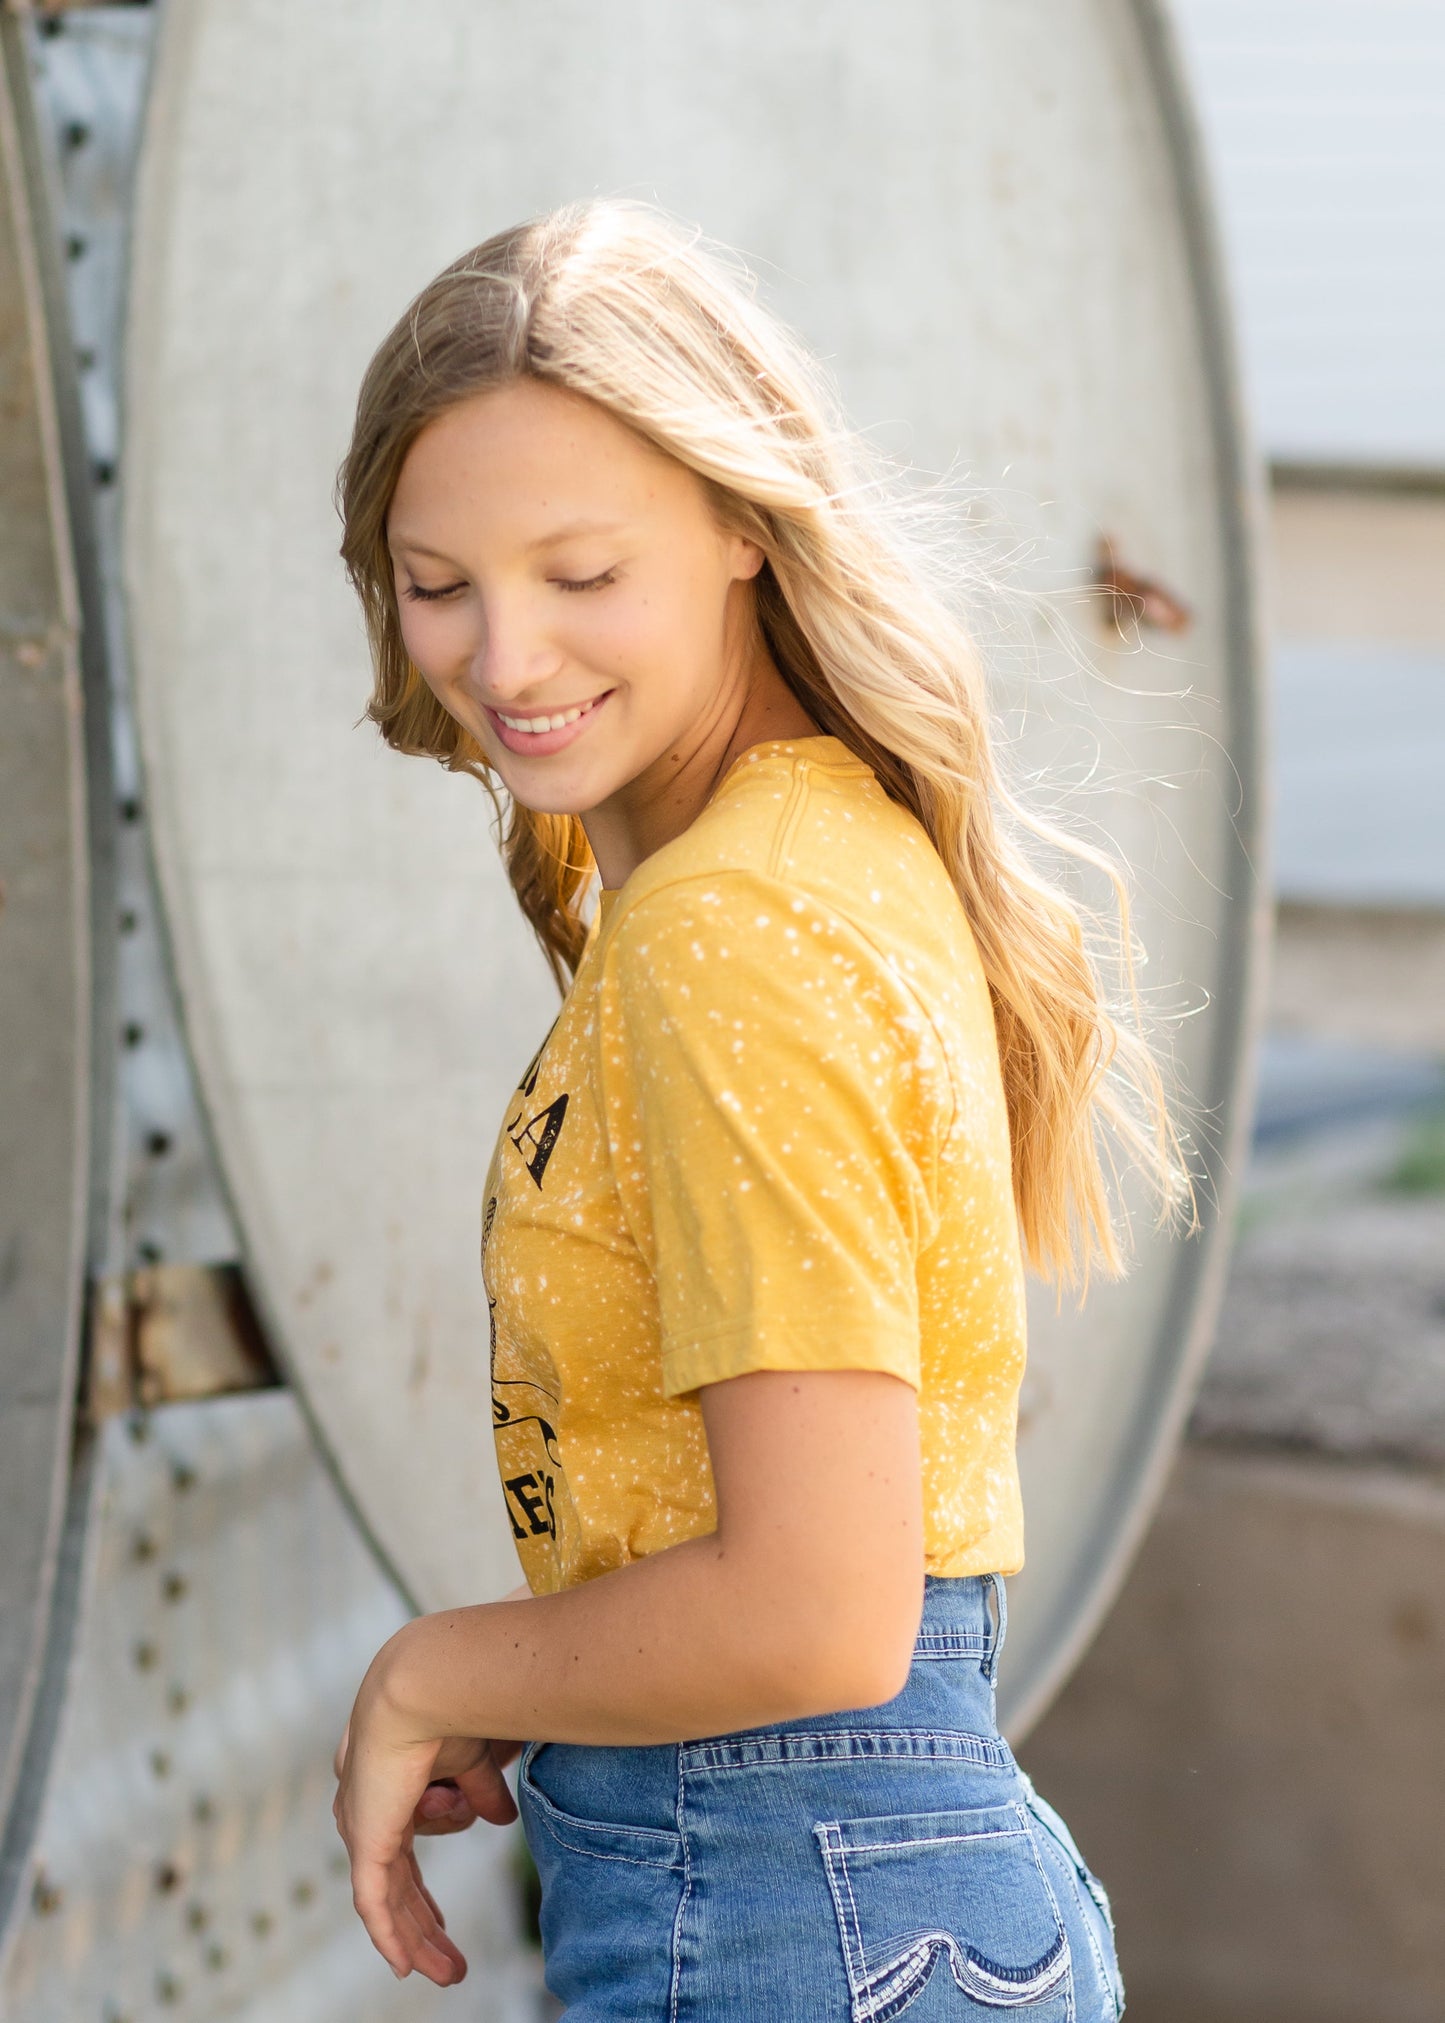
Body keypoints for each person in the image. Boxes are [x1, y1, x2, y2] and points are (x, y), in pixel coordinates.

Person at [330, 198, 1191, 2019]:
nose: (503, 660)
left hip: (791, 1899)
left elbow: (816, 1611)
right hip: (853, 1884)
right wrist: (555, 1676)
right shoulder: (801, 855)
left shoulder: (733, 927)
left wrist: (425, 1669)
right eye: (439, 584)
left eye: (581, 574)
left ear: (740, 519)